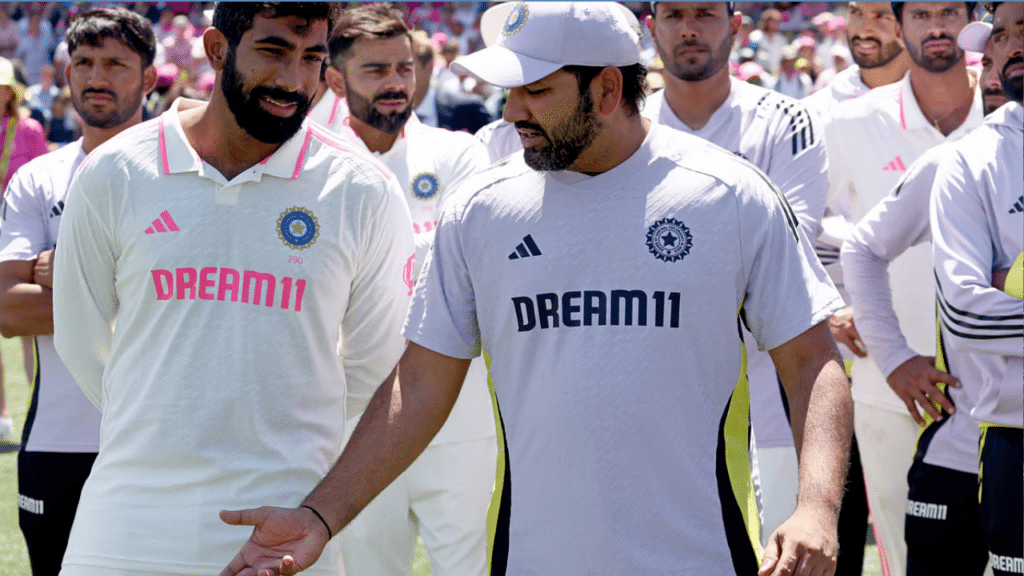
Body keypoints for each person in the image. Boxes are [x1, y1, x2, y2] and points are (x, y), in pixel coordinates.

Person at [220, 4, 853, 576]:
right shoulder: (479, 209)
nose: (512, 110)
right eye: (510, 91)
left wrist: (817, 509)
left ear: (606, 89)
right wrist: (321, 516)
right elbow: (419, 384)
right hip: (528, 559)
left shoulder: (732, 197)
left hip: (703, 558)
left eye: (535, 90)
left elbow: (813, 362)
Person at [51, 3, 414, 575]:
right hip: (126, 524)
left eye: (313, 58)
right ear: (217, 49)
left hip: (285, 531)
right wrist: (167, 419)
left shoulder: (363, 190)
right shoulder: (116, 171)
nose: (294, 81)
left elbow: (373, 369)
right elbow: (81, 337)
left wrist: (272, 441)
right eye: (273, 51)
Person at [642, 5, 866, 574]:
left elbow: (784, 250)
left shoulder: (786, 119)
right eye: (673, 15)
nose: (689, 28)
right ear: (652, 29)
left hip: (776, 385)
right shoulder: (628, 122)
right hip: (661, 393)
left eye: (704, 14)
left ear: (736, 26)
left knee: (786, 558)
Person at [308, 5, 496, 575]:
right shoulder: (312, 167)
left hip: (456, 415)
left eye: (404, 67)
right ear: (334, 81)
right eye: (376, 71)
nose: (396, 83)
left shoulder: (459, 155)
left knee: (464, 565)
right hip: (358, 421)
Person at [839, 15, 1012, 576]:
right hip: (948, 432)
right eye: (989, 55)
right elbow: (862, 250)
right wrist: (893, 359)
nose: (993, 71)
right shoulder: (955, 161)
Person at [0, 10, 156, 575]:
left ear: (149, 77)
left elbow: (194, 307)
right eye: (84, 62)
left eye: (116, 63)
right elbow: (11, 311)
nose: (97, 76)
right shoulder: (39, 179)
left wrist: (66, 275)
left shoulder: (183, 176)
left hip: (161, 439)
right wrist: (140, 287)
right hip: (57, 441)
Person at [930, 4, 1023, 575]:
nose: (1009, 45)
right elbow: (964, 314)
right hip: (1017, 439)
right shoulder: (969, 159)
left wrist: (1007, 282)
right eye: (1002, 34)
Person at [0, 55, 47, 442]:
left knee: (28, 323)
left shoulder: (29, 130)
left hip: (22, 235)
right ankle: (2, 413)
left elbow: (42, 186)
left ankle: (39, 406)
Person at [802, 2, 912, 117]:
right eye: (856, 12)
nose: (863, 32)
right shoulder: (817, 112)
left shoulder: (927, 102)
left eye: (881, 16)